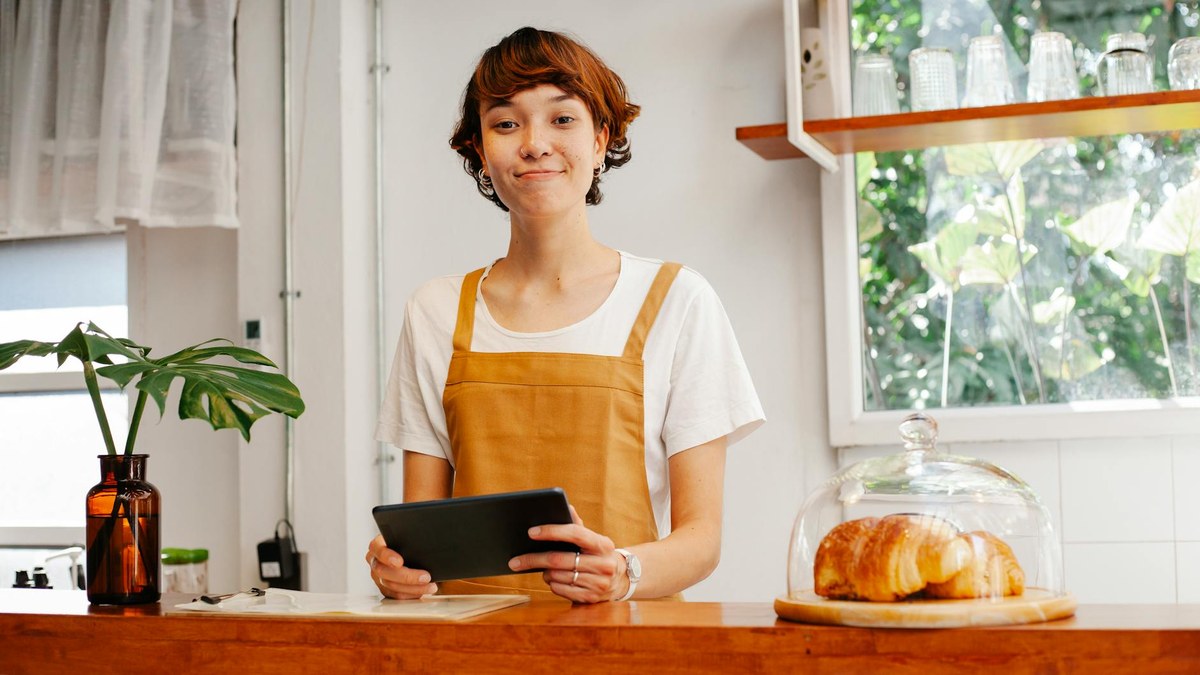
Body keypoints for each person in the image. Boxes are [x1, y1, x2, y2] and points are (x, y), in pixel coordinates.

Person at [366, 26, 763, 604]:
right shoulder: (434, 311)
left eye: (562, 119)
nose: (533, 143)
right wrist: (397, 568)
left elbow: (701, 540)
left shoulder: (678, 301)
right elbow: (423, 532)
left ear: (602, 140)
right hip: (467, 654)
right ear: (478, 149)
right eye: (505, 123)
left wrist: (624, 570)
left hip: (630, 650)